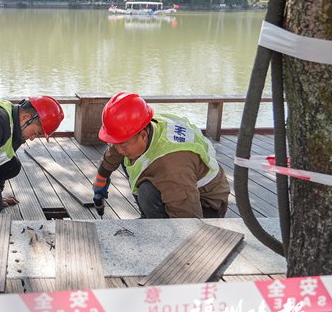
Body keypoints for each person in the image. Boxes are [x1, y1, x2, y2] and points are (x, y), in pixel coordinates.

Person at [92, 92, 229, 219]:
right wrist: (101, 178)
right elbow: (118, 146)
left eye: (123, 144)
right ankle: (149, 218)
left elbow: (188, 218)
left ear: (143, 135)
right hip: (185, 184)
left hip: (206, 207)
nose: (119, 149)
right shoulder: (148, 125)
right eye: (116, 143)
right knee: (126, 155)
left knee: (147, 193)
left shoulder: (172, 167)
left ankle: (157, 226)